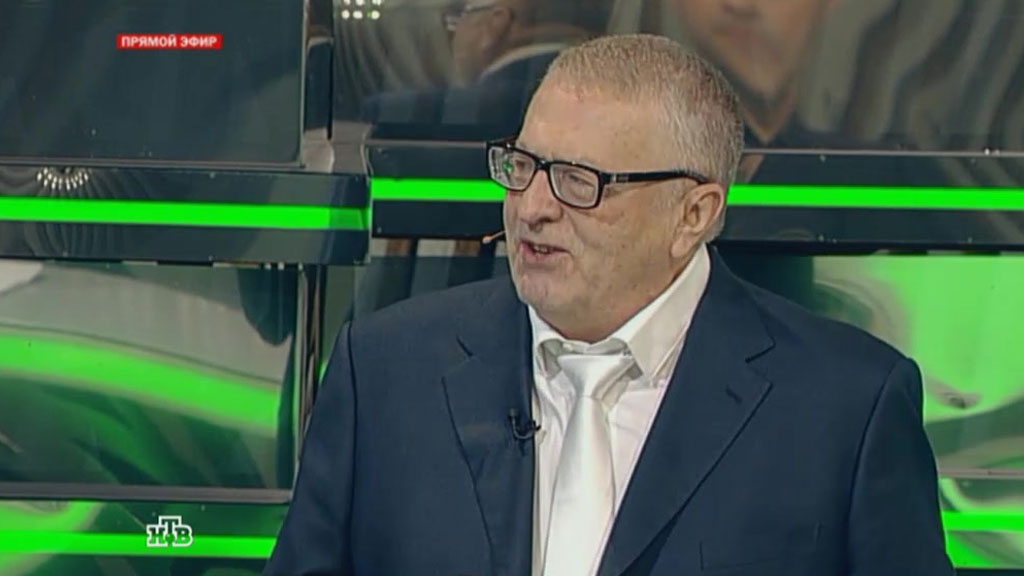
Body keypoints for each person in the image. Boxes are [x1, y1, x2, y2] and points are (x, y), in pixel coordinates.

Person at [264, 34, 953, 576]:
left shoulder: (847, 410)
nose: (532, 208)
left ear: (693, 214)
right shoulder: (383, 373)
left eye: (579, 181)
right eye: (522, 167)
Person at [364, 0, 610, 141]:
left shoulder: (400, 115)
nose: (454, 37)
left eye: (458, 19)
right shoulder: (607, 103)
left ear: (495, 23)